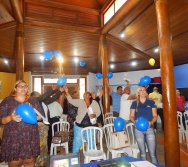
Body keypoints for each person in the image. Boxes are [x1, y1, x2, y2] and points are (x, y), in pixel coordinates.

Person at [0, 80, 44, 167]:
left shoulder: (33, 101)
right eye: (20, 86)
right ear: (15, 88)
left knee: (30, 163)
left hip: (30, 138)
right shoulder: (7, 101)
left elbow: (41, 117)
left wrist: (35, 115)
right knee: (15, 164)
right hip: (13, 139)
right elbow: (0, 120)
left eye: (25, 86)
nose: (23, 88)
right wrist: (10, 118)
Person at [64, 86, 101, 153]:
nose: (85, 95)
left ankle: (91, 157)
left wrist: (94, 115)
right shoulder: (80, 102)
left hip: (91, 126)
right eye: (84, 94)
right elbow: (71, 100)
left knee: (91, 142)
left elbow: (99, 112)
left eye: (87, 94)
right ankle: (75, 157)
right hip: (79, 126)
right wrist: (67, 92)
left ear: (90, 96)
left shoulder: (95, 103)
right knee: (77, 142)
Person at [130, 86, 158, 164]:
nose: (143, 92)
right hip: (138, 130)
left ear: (146, 92)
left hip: (149, 129)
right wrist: (134, 121)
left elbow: (155, 115)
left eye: (144, 90)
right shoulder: (134, 103)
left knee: (152, 154)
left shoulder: (151, 102)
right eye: (141, 90)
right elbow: (131, 116)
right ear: (138, 93)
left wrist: (151, 122)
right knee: (142, 153)